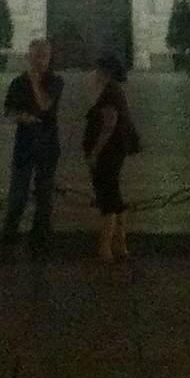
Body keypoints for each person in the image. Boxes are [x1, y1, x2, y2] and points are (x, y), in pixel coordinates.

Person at [0, 36, 63, 251]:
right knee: (18, 194)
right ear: (29, 57)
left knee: (44, 196)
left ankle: (40, 240)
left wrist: (35, 82)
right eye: (36, 56)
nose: (39, 61)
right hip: (25, 145)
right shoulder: (17, 83)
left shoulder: (55, 82)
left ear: (49, 58)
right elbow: (8, 110)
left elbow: (45, 105)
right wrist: (21, 117)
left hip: (47, 144)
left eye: (44, 56)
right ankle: (9, 238)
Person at [83, 52, 139, 263]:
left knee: (107, 198)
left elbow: (108, 124)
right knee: (114, 195)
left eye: (96, 70)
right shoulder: (115, 90)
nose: (93, 74)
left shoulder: (109, 92)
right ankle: (120, 244)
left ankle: (105, 247)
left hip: (108, 153)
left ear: (104, 72)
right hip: (116, 150)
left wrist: (95, 153)